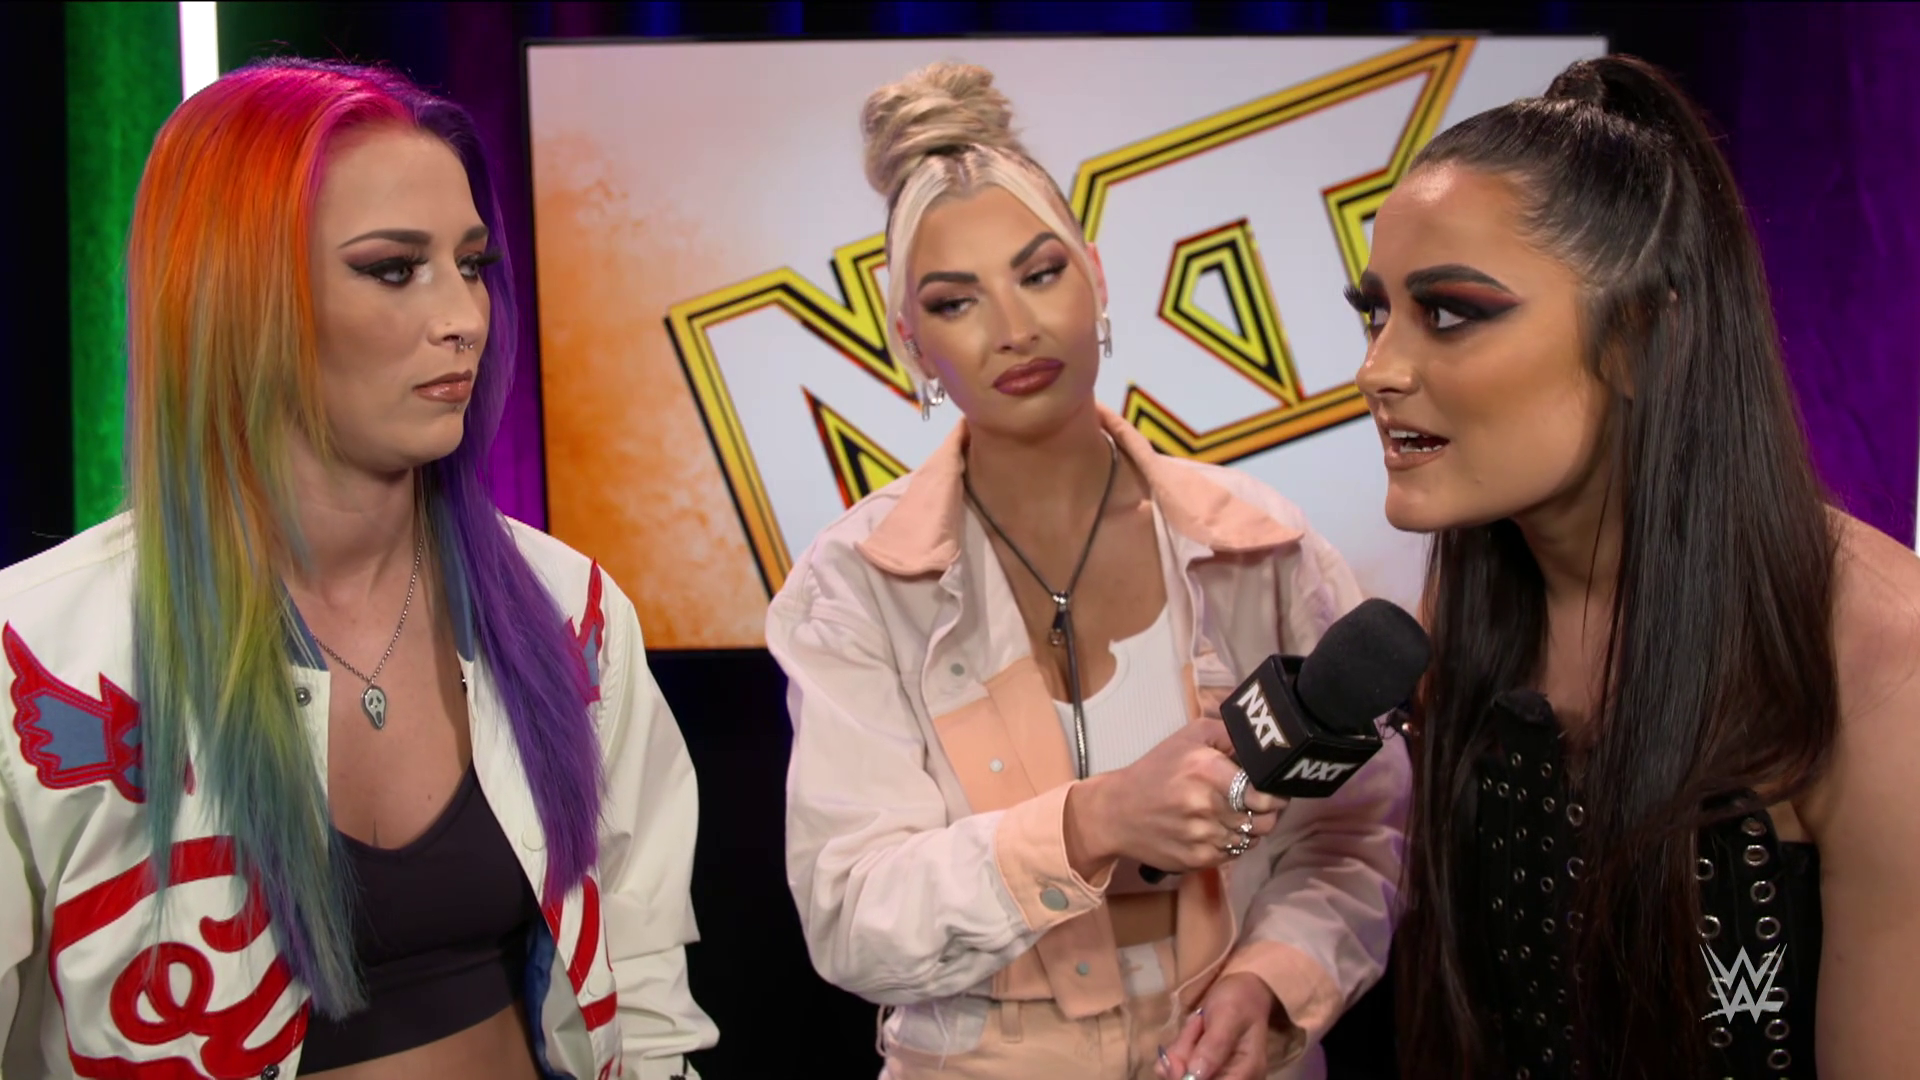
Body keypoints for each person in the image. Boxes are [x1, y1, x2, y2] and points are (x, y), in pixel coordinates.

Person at [0, 58, 717, 1079]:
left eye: (471, 263)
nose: (464, 317)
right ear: (233, 295)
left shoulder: (572, 614)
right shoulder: (35, 652)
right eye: (393, 269)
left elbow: (642, 994)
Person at [765, 63, 1408, 1080]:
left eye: (1039, 273)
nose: (1013, 327)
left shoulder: (1260, 544)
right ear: (910, 346)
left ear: (1097, 280)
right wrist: (1093, 821)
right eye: (956, 300)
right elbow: (852, 917)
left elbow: (1358, 835)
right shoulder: (854, 585)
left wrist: (1270, 981)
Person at [1352, 54, 1920, 1079]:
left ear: (1640, 337)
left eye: (1450, 313)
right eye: (1375, 311)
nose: (1377, 370)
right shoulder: (1462, 605)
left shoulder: (1883, 658)